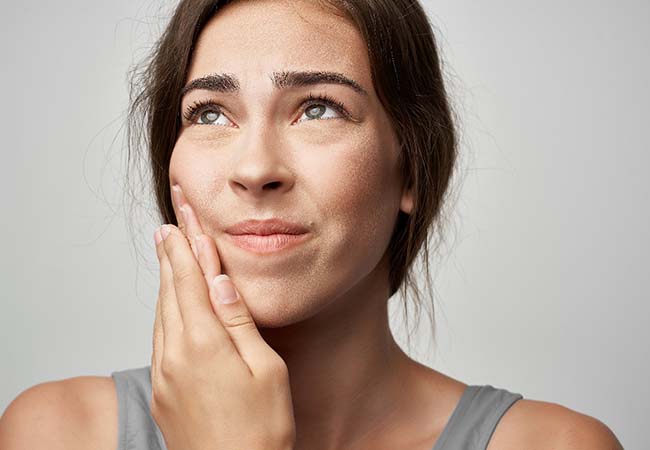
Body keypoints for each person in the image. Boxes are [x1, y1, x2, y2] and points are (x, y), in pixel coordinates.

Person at [0, 1, 624, 449]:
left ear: (411, 169)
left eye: (317, 108)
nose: (254, 168)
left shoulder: (554, 443)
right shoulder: (55, 432)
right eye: (211, 113)